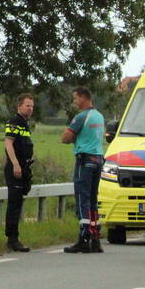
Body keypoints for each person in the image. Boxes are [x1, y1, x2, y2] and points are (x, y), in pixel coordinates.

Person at [61, 87, 105, 253]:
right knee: (93, 200)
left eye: (75, 98)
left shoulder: (81, 117)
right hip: (98, 159)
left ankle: (84, 237)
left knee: (82, 199)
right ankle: (95, 238)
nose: (74, 102)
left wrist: (74, 137)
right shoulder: (99, 116)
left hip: (84, 160)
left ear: (83, 97)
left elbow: (65, 138)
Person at [3, 93, 36, 252]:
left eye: (32, 106)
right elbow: (9, 143)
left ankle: (14, 237)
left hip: (24, 168)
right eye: (27, 105)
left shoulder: (25, 123)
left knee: (18, 203)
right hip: (15, 169)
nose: (30, 109)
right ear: (19, 106)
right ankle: (12, 239)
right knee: (14, 204)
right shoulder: (15, 121)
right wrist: (15, 164)